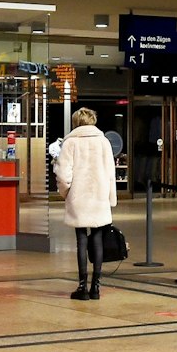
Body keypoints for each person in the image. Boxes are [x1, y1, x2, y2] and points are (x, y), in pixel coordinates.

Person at [57, 107, 119, 300]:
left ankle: (82, 287)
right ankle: (96, 288)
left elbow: (63, 174)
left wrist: (65, 192)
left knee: (81, 241)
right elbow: (111, 173)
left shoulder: (70, 143)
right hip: (99, 196)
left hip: (79, 197)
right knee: (98, 240)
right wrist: (110, 198)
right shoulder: (104, 142)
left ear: (76, 122)